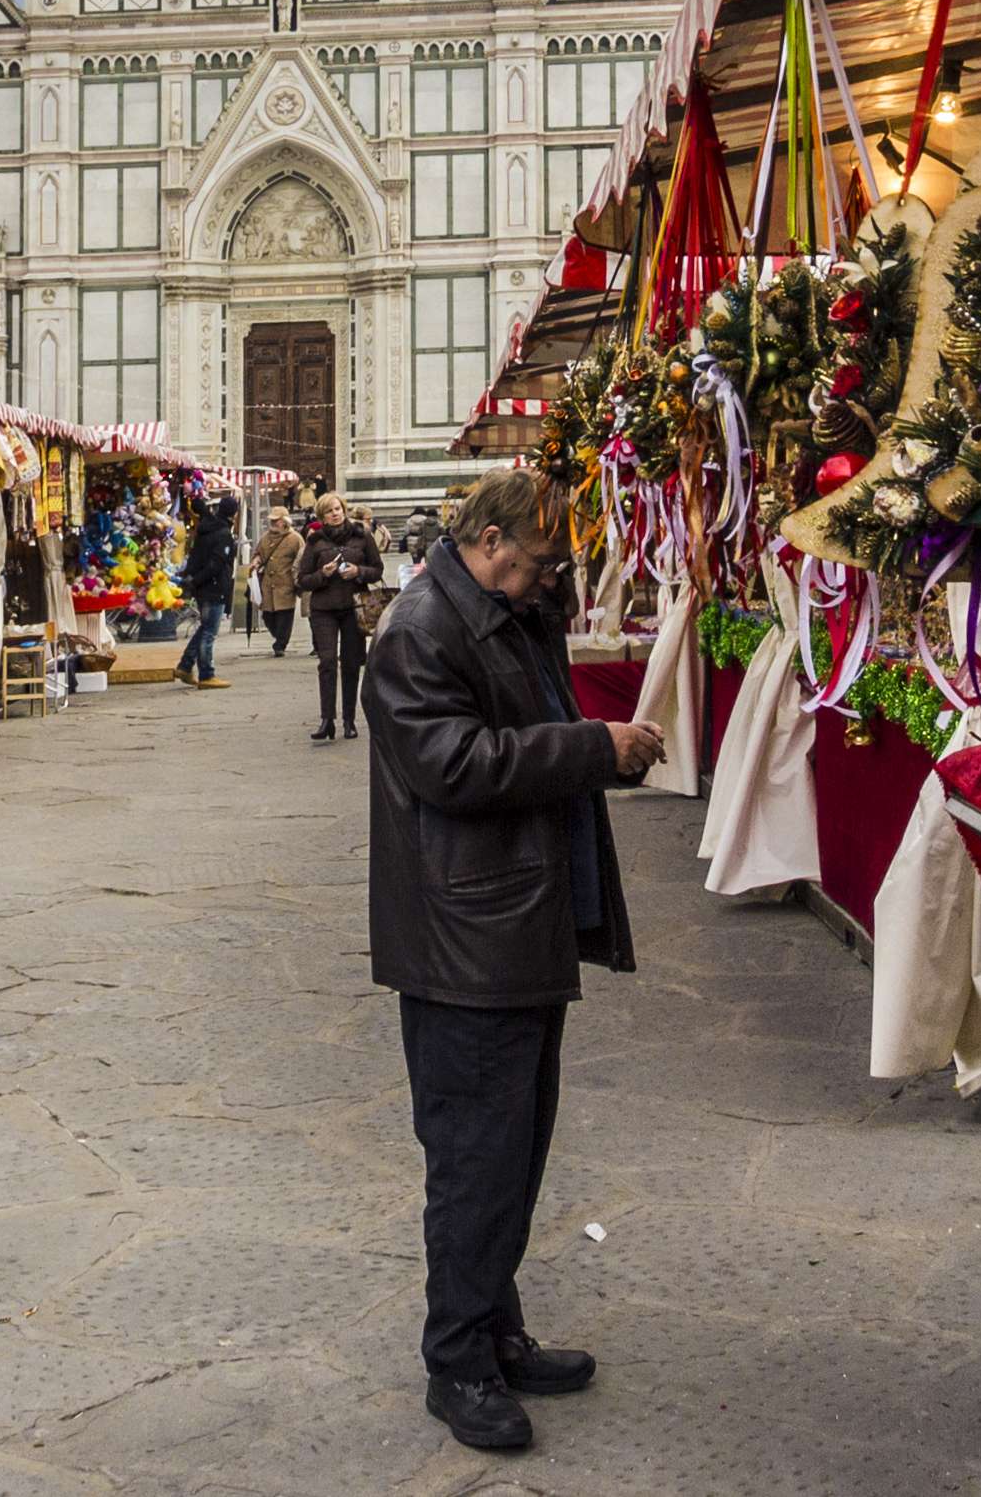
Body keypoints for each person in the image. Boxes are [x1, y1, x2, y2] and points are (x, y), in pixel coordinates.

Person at [365, 468, 660, 1456]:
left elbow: (521, 715)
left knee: (515, 1150)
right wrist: (593, 749)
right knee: (473, 1158)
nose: (544, 583)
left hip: (511, 919)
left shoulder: (503, 607)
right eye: (533, 562)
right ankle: (454, 1361)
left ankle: (494, 1331)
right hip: (464, 939)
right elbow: (452, 766)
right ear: (486, 540)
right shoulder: (418, 630)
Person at [301, 492, 383, 743]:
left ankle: (349, 719)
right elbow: (302, 580)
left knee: (350, 663)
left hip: (352, 607)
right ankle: (327, 719)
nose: (335, 513)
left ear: (344, 510)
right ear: (322, 516)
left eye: (337, 508)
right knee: (326, 662)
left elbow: (377, 570)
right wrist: (323, 575)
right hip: (323, 609)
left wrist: (358, 572)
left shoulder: (362, 537)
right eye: (329, 511)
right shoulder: (315, 541)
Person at [176, 491, 239, 687]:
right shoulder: (223, 534)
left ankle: (185, 666)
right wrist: (197, 580)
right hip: (214, 587)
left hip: (203, 587)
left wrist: (192, 580)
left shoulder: (206, 530)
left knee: (205, 628)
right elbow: (216, 564)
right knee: (209, 632)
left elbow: (196, 557)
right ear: (234, 514)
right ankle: (206, 674)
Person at [256, 504, 305, 656]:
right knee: (268, 615)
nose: (273, 523)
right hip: (268, 584)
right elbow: (258, 553)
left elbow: (302, 559)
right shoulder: (265, 538)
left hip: (285, 583)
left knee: (285, 616)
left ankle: (280, 644)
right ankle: (279, 638)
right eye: (272, 520)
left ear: (284, 521)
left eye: (276, 520)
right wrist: (256, 561)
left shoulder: (295, 539)